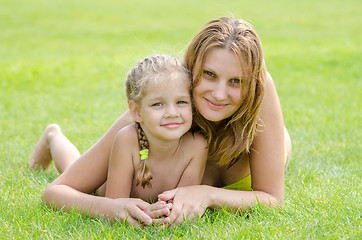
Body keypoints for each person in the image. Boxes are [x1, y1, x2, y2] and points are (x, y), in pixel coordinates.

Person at [31, 16, 292, 226]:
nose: (219, 94)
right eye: (209, 75)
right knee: (92, 182)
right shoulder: (165, 105)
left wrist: (207, 194)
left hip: (266, 141)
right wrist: (109, 208)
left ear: (252, 83)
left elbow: (271, 198)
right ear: (191, 69)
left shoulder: (261, 91)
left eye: (236, 81)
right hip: (137, 167)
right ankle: (54, 137)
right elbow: (60, 190)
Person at [30, 55, 208, 227]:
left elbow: (182, 205)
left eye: (181, 102)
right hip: (100, 189)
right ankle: (53, 136)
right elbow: (115, 204)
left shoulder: (197, 146)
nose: (172, 113)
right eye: (157, 104)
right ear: (136, 112)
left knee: (73, 164)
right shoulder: (128, 140)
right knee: (74, 171)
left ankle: (53, 136)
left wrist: (163, 212)